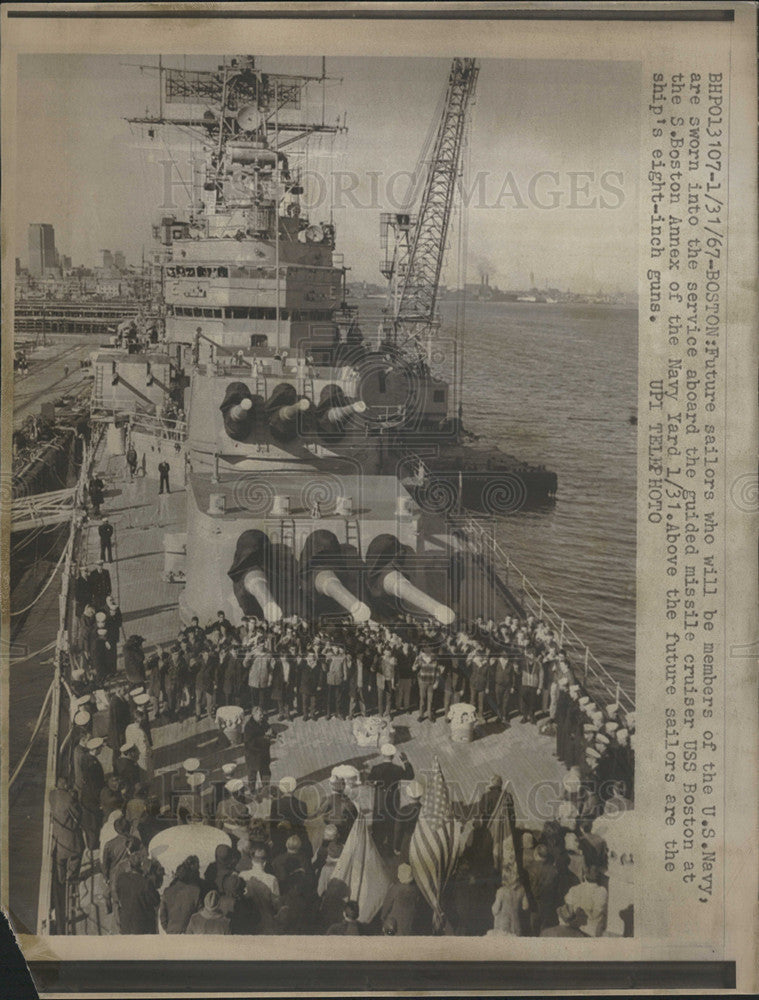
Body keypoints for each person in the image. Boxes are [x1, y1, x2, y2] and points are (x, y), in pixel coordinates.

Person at [367, 744, 414, 854]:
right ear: (393, 756)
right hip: (393, 796)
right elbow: (410, 776)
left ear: (383, 755)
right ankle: (390, 847)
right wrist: (406, 762)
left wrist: (375, 784)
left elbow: (369, 781)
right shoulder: (397, 769)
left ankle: (377, 846)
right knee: (392, 820)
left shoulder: (376, 768)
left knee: (378, 818)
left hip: (380, 796)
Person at [116, 852, 161, 934]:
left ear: (130, 865)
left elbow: (119, 895)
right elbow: (156, 901)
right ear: (142, 866)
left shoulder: (121, 878)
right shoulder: (146, 883)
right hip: (142, 926)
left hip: (125, 924)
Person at [159, 856, 203, 933]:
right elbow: (200, 914)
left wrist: (168, 928)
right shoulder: (196, 891)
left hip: (171, 932)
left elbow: (162, 915)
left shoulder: (167, 891)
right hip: (189, 933)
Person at [525, 843, 561, 935]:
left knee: (533, 931)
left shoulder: (529, 869)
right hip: (548, 906)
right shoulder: (554, 871)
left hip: (534, 906)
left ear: (536, 854)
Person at [380, 864, 425, 935]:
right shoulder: (416, 889)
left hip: (393, 926)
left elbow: (386, 906)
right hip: (409, 926)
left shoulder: (395, 888)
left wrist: (383, 918)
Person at [563, 865, 608, 937]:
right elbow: (596, 914)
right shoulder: (601, 891)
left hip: (573, 930)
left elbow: (570, 911)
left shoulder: (574, 889)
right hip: (590, 932)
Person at [244, 846, 281, 934]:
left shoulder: (243, 875)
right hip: (266, 921)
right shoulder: (272, 879)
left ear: (252, 861)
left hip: (248, 920)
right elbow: (277, 903)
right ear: (265, 863)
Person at [490, 869, 529, 936]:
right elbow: (525, 907)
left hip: (503, 928)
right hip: (516, 926)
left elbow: (495, 910)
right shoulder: (522, 890)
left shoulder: (501, 891)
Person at [243, 705, 272, 792]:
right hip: (253, 757)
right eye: (260, 715)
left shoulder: (263, 721)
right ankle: (252, 792)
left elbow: (269, 728)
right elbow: (251, 743)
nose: (262, 716)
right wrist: (265, 738)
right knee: (252, 776)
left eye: (262, 714)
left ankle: (266, 790)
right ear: (254, 715)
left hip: (263, 755)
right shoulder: (248, 727)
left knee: (266, 773)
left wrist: (275, 734)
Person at [393, 780, 422, 861]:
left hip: (407, 841)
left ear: (408, 795)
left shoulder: (403, 811)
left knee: (405, 865)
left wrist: (397, 846)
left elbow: (398, 830)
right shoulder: (424, 809)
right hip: (421, 841)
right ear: (421, 795)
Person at [413, 649, 441, 722]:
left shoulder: (435, 660)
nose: (423, 654)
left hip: (431, 683)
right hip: (422, 683)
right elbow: (414, 668)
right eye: (422, 653)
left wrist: (437, 682)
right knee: (422, 699)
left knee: (430, 700)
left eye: (424, 653)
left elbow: (438, 672)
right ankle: (421, 715)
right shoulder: (420, 659)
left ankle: (429, 715)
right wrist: (415, 666)